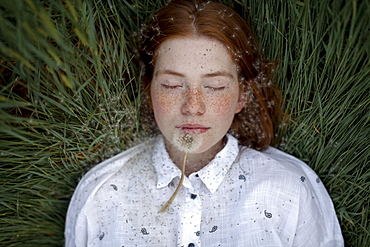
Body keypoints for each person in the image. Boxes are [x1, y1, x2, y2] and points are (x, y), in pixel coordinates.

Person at [64, 0, 344, 246]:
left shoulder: (289, 188)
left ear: (241, 96)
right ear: (149, 91)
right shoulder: (100, 194)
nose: (193, 107)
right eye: (172, 85)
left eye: (215, 86)